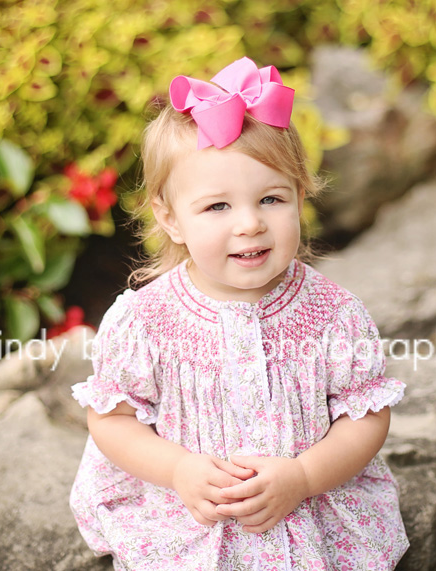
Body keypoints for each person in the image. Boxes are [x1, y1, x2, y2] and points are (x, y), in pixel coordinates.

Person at [70, 57, 409, 570]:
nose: (250, 224)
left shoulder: (334, 315)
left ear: (301, 197)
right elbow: (112, 420)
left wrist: (305, 477)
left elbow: (365, 416)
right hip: (186, 507)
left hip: (307, 502)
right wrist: (179, 469)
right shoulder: (145, 321)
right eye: (217, 207)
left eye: (271, 198)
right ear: (171, 218)